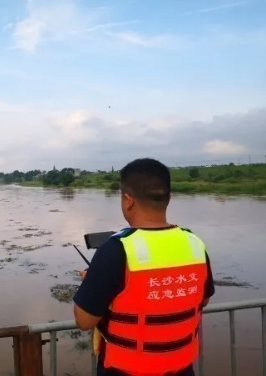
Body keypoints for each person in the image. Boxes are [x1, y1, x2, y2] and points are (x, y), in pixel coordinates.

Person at [73, 158, 215, 376]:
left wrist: (92, 282)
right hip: (181, 368)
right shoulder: (194, 243)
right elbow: (202, 299)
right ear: (169, 198)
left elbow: (84, 320)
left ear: (128, 200)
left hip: (125, 370)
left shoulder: (116, 249)